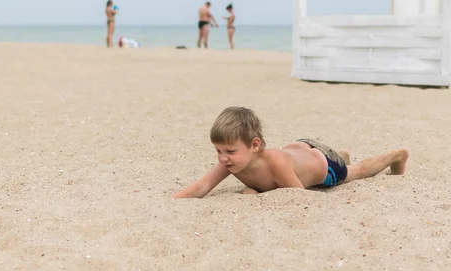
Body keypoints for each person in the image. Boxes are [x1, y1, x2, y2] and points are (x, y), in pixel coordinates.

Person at [173, 106, 409, 198]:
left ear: (255, 145)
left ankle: (396, 156)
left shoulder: (277, 164)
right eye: (218, 151)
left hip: (324, 165)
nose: (223, 158)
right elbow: (203, 186)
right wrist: (173, 200)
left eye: (230, 151)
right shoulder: (233, 162)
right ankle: (342, 152)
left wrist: (254, 191)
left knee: (356, 171)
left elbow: (297, 195)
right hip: (301, 147)